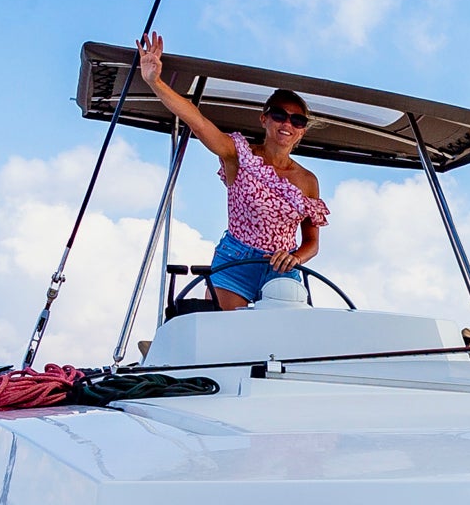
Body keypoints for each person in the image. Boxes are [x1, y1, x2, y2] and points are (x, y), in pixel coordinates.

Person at [136, 35, 327, 309]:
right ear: (264, 118)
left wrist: (295, 257)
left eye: (297, 120)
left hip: (282, 270)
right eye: (279, 115)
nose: (288, 124)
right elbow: (198, 122)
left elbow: (312, 242)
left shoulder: (308, 181)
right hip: (236, 261)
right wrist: (155, 81)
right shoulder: (239, 154)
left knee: (283, 342)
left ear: (302, 131)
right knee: (223, 336)